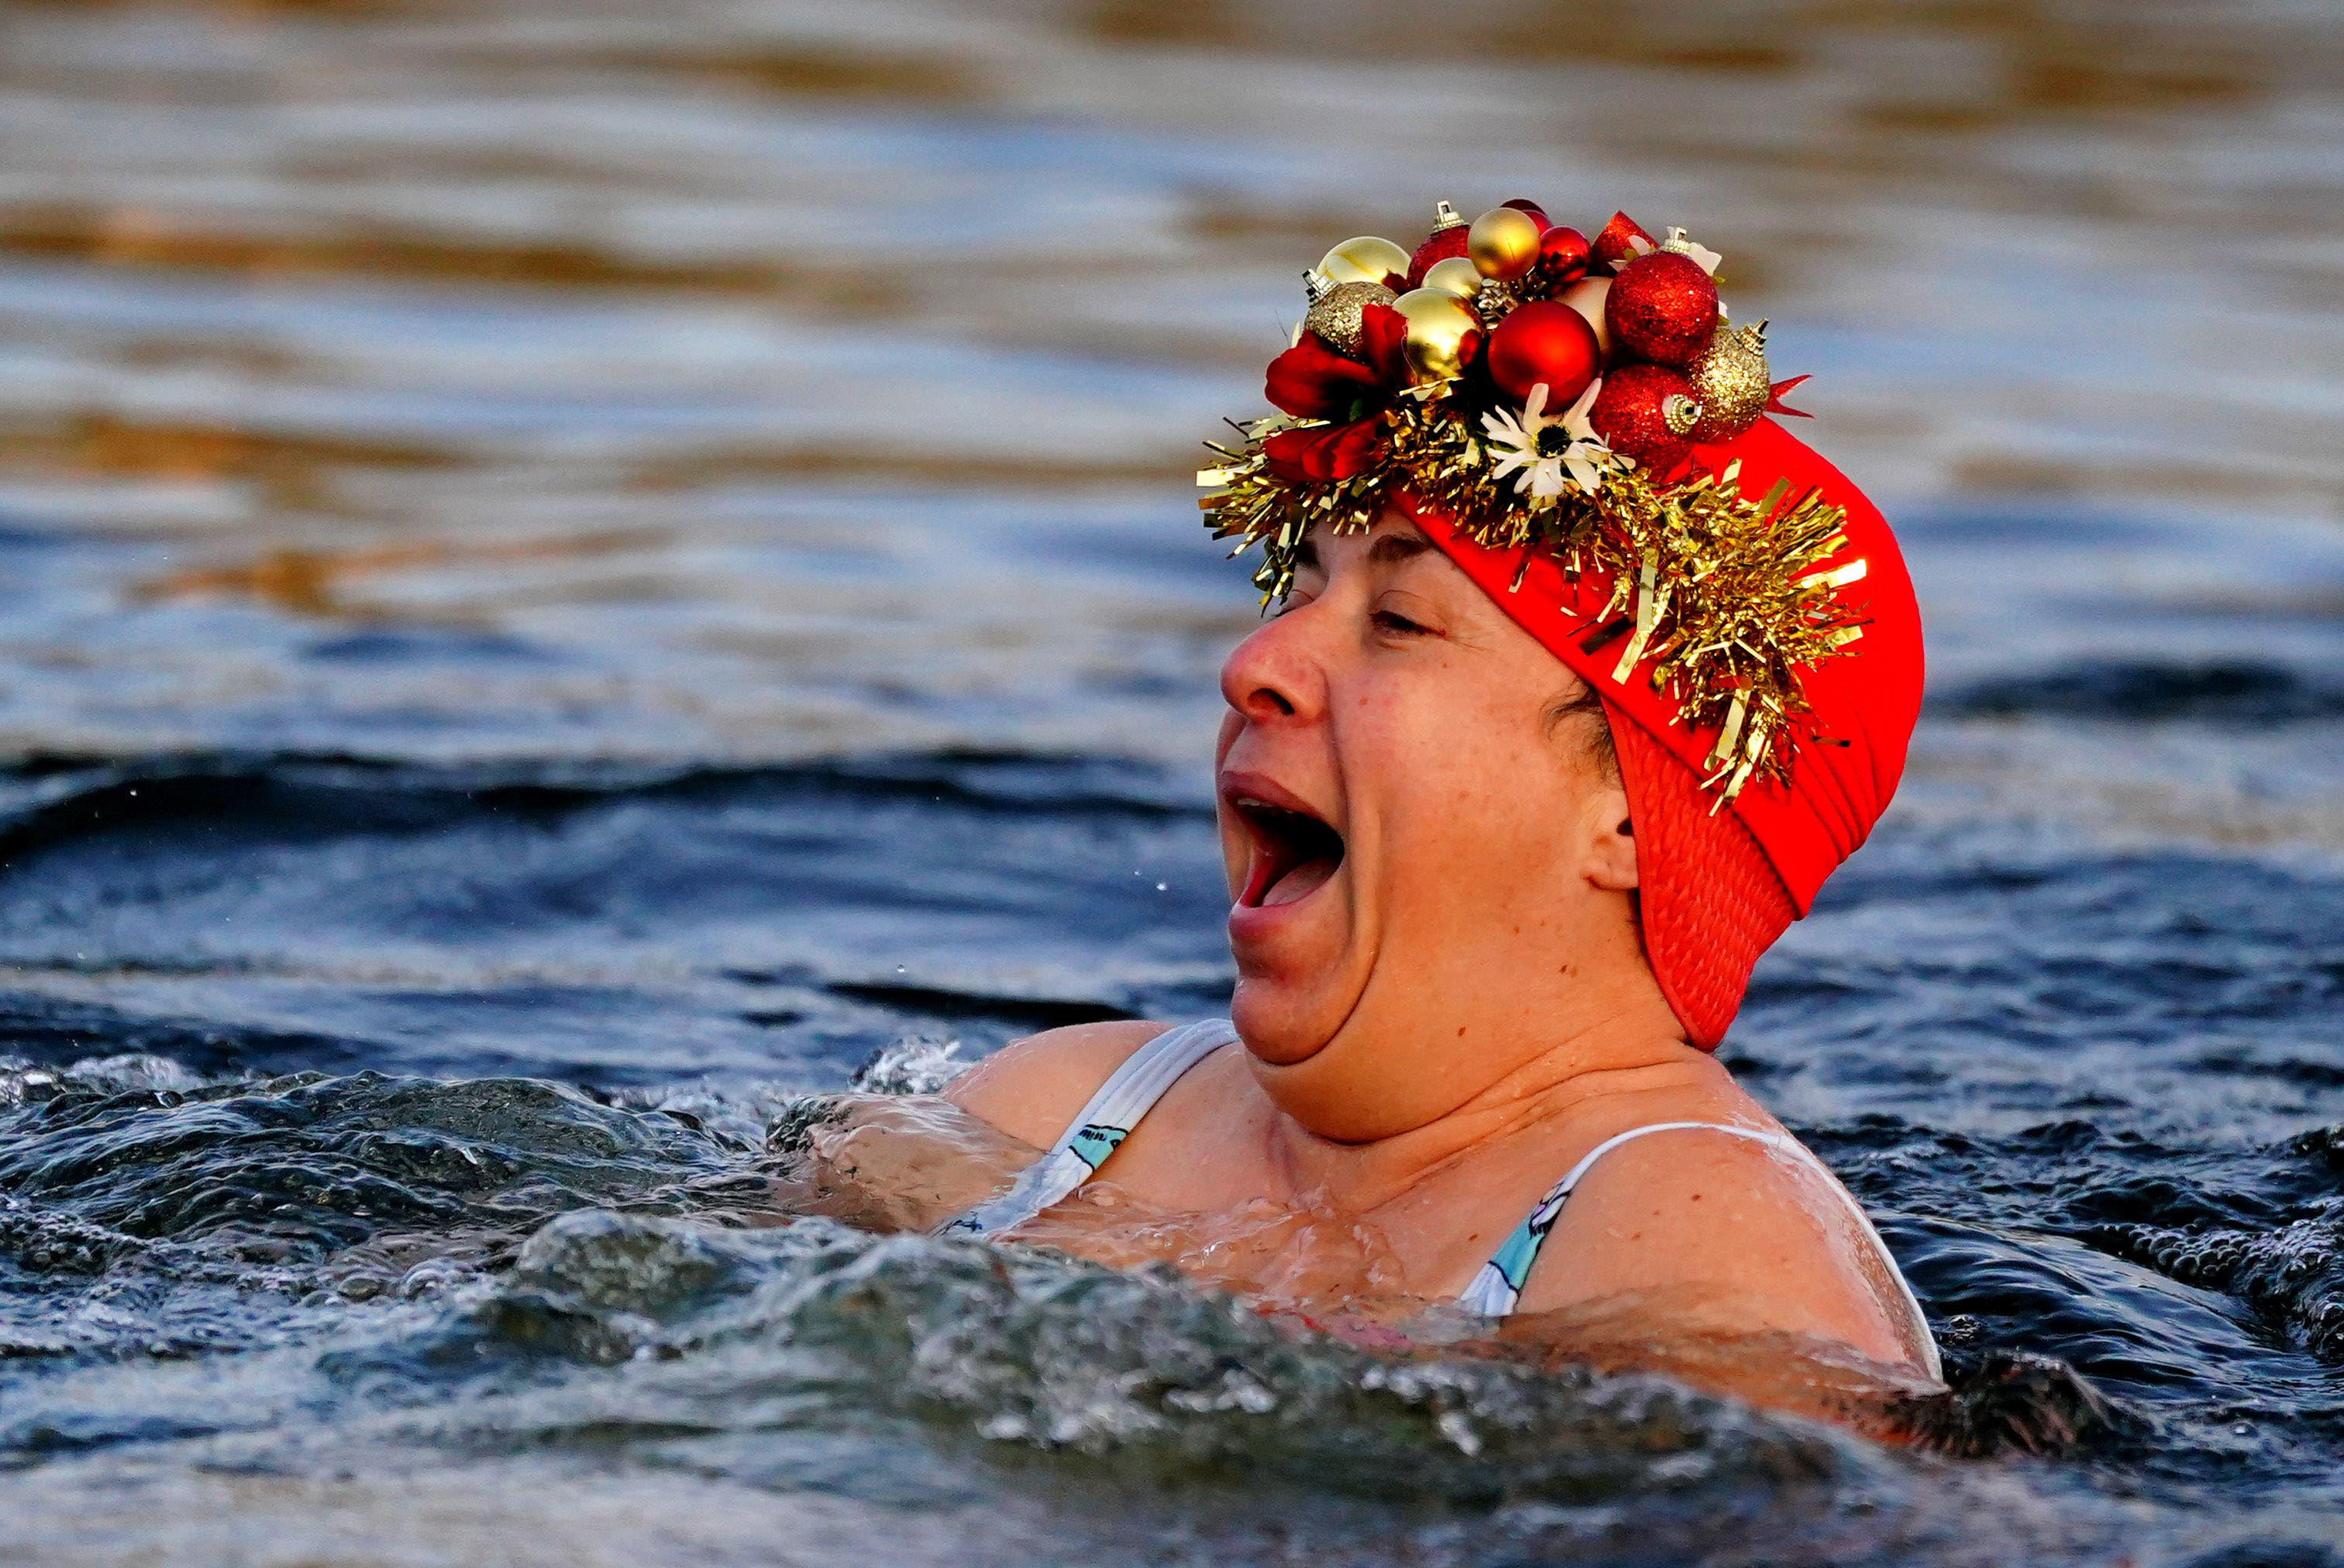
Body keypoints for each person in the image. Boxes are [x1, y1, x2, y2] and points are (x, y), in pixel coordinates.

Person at [818, 200, 1934, 1411]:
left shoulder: (1702, 1258)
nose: (1255, 666)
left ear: (1632, 816)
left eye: (1397, 622)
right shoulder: (1055, 1119)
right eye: (1297, 591)